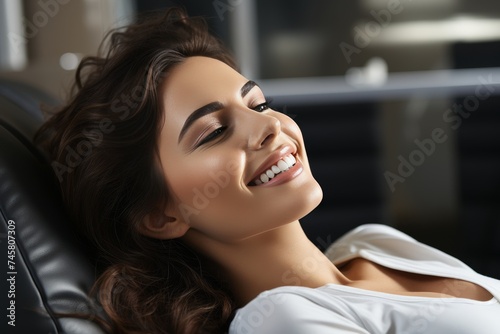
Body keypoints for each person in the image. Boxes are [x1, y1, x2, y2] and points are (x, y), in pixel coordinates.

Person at [35, 8, 500, 334]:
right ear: (161, 215)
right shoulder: (282, 321)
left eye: (258, 103)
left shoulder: (374, 243)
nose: (269, 127)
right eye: (214, 131)